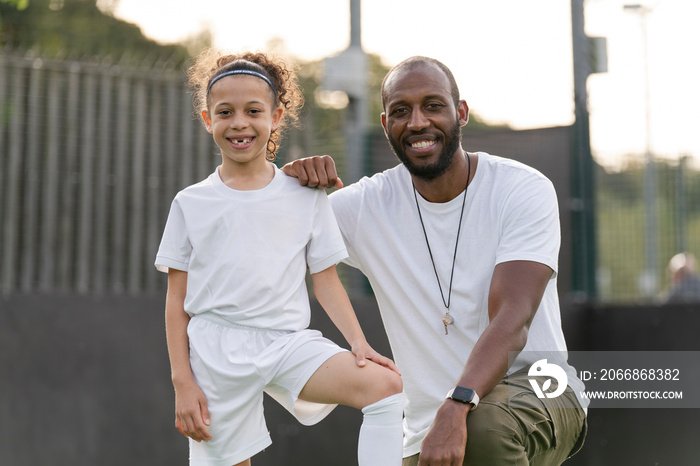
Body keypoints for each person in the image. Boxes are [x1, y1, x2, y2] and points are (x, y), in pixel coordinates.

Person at [283, 56, 588, 465]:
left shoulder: (522, 189)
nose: (417, 122)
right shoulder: (364, 207)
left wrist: (459, 403)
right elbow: (267, 239)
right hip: (428, 433)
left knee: (484, 431)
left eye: (433, 105)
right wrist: (286, 186)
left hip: (538, 389)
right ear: (386, 123)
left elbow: (513, 318)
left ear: (460, 113)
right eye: (401, 111)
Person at [154, 49, 403, 466]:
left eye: (253, 110)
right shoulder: (189, 203)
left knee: (386, 388)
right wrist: (183, 383)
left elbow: (325, 281)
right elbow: (176, 300)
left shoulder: (304, 194)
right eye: (225, 111)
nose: (239, 123)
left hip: (287, 344)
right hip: (216, 357)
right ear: (206, 119)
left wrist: (360, 344)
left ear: (276, 116)